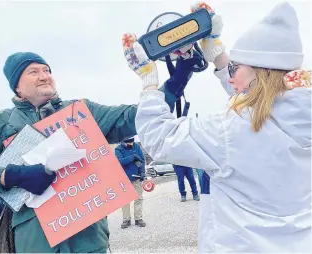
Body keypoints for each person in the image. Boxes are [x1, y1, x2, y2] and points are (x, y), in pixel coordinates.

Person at [123, 1, 311, 252]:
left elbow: (157, 137)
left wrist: (149, 82)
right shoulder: (300, 116)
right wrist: (216, 52)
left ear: (259, 72)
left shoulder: (230, 131)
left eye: (235, 68)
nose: (230, 76)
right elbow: (258, 109)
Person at [0, 48, 202, 252]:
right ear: (17, 87)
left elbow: (134, 117)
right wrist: (9, 175)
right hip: (35, 240)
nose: (44, 76)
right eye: (33, 72)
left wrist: (177, 81)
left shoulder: (79, 111)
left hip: (88, 237)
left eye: (47, 70)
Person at [115, 138, 146, 228]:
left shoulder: (137, 146)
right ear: (123, 142)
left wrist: (142, 172)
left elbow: (142, 160)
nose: (130, 144)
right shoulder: (118, 149)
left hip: (136, 177)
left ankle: (138, 219)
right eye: (128, 143)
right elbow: (120, 161)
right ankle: (126, 220)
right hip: (124, 178)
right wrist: (132, 157)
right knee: (125, 200)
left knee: (139, 198)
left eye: (132, 142)